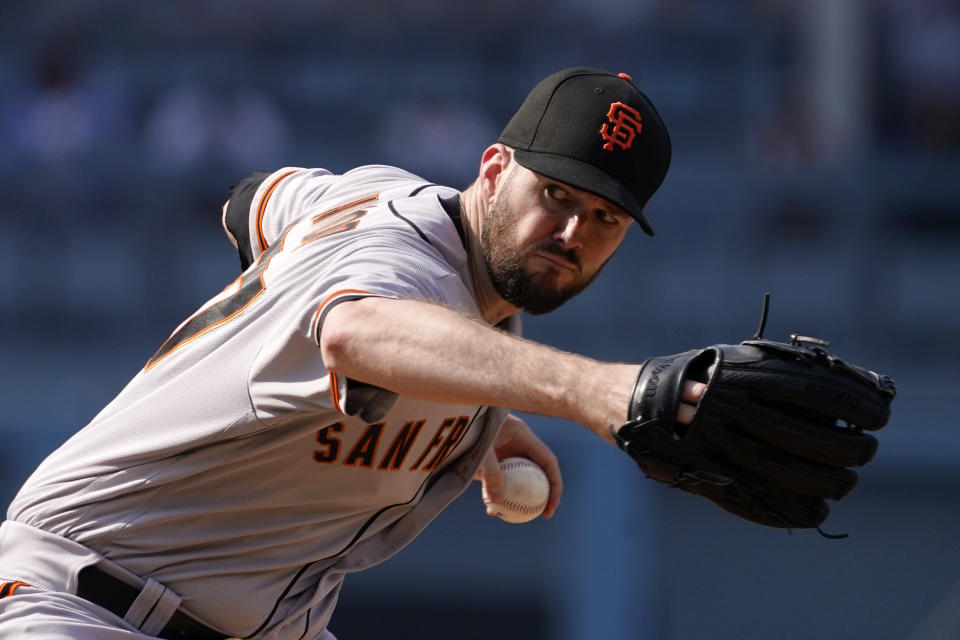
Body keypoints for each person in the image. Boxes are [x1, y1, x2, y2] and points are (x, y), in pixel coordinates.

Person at [0, 67, 692, 639]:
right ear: (492, 169)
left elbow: (250, 203)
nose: (572, 231)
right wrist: (596, 391)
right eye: (554, 193)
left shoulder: (369, 198)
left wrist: (470, 404)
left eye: (606, 218)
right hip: (85, 604)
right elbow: (353, 333)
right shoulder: (404, 258)